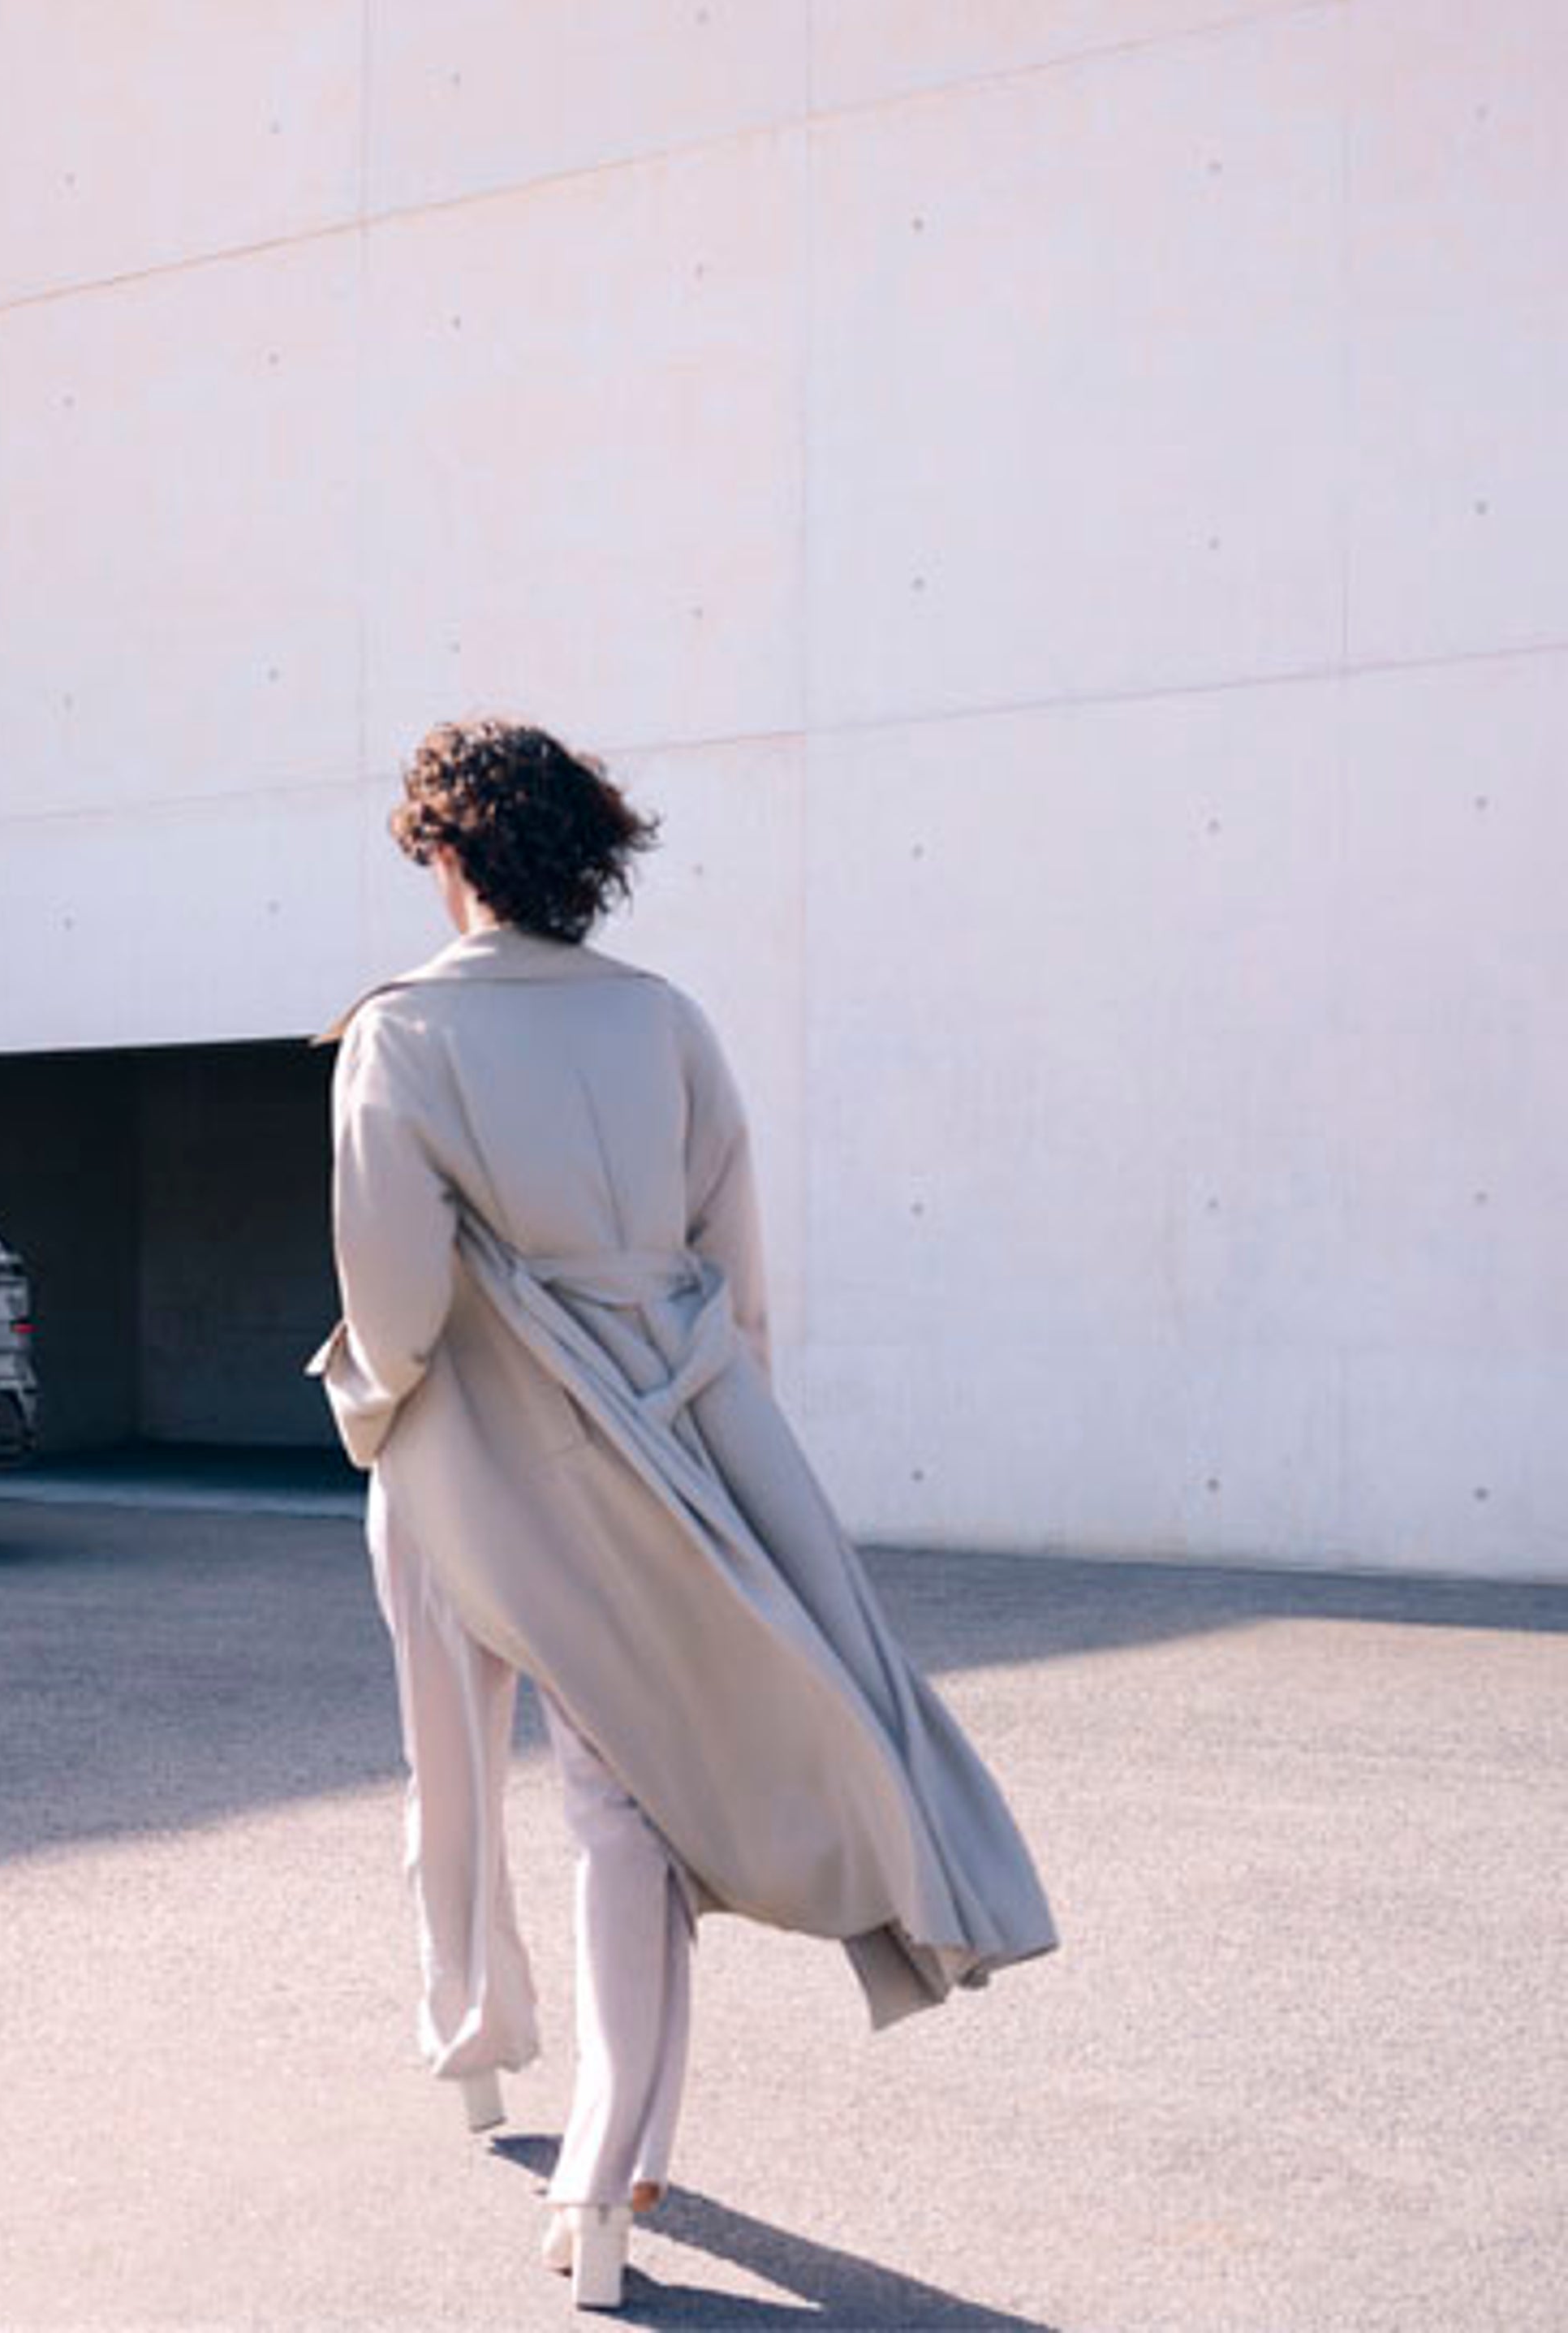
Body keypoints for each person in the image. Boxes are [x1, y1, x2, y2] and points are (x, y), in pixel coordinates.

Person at [311, 720, 1056, 2309]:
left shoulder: (400, 1036)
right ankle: (613, 2169)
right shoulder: (670, 1026)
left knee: (451, 1768)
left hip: (466, 1462)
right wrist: (720, 1459)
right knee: (624, 1812)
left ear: (447, 856)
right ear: (588, 857)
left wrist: (371, 1407)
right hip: (669, 1454)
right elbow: (741, 1281)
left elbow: (392, 1300)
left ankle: (472, 2049)